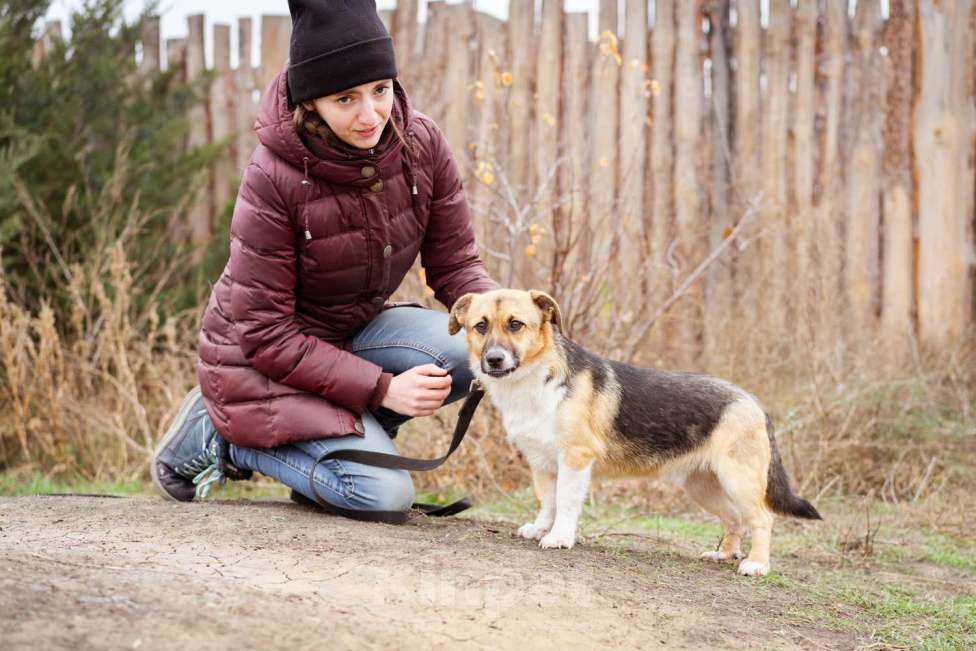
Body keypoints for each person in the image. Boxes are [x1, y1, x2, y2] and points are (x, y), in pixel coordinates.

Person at [151, 0, 498, 515]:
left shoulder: (421, 144)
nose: (371, 115)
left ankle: (343, 447)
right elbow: (265, 334)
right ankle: (221, 436)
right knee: (383, 496)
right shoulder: (272, 177)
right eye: (345, 99)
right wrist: (383, 389)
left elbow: (454, 265)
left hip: (343, 338)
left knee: (475, 351)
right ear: (310, 103)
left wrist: (510, 321)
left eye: (380, 90)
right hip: (257, 365)